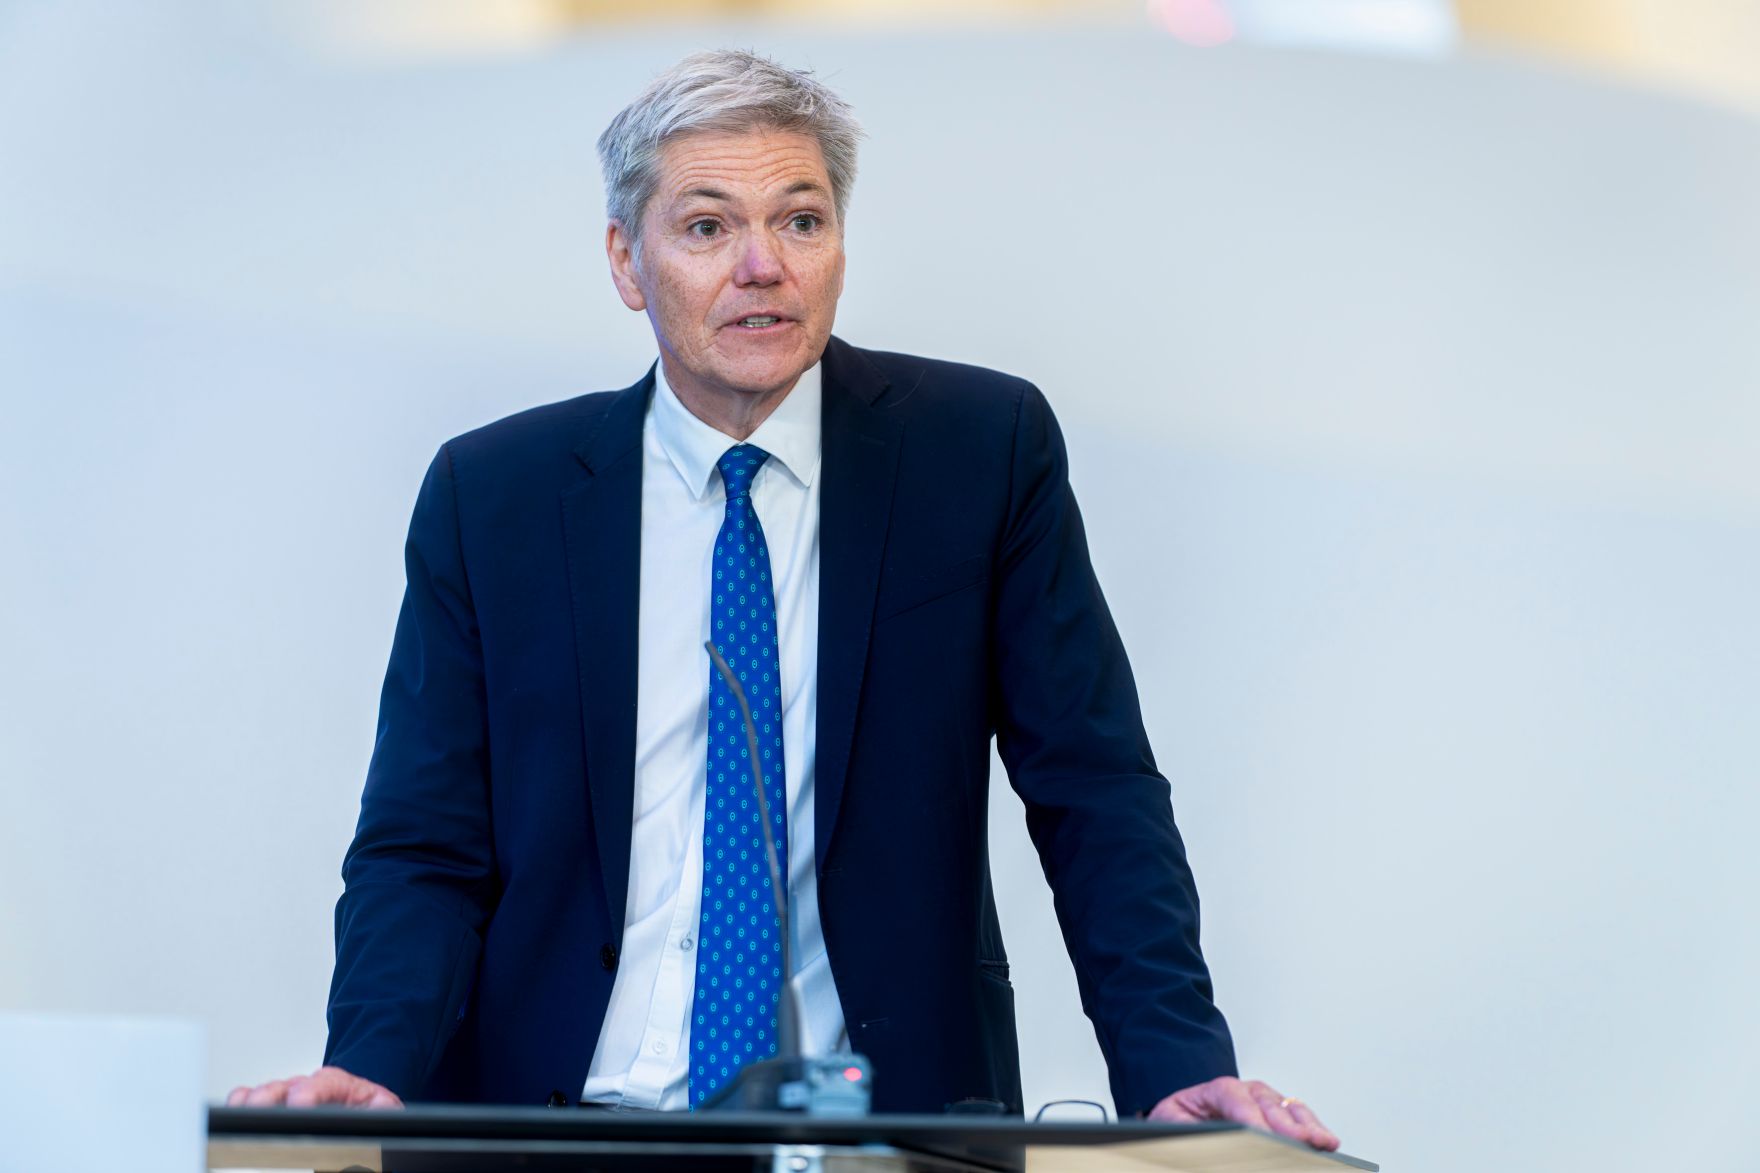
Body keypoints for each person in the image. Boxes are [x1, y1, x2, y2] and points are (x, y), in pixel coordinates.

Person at [228, 49, 1338, 1151]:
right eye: (707, 227)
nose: (762, 265)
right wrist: (368, 1060)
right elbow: (424, 843)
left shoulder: (975, 455)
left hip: (877, 1131)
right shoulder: (496, 497)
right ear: (627, 261)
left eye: (799, 221)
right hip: (561, 1127)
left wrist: (1176, 1069)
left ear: (839, 246)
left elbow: (1093, 792)